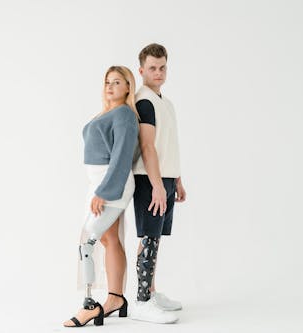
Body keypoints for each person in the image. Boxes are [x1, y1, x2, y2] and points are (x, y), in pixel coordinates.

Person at [63, 66, 139, 327]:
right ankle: (116, 298)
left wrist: (104, 192)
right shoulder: (108, 113)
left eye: (117, 82)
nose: (110, 86)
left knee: (89, 242)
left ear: (128, 86)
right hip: (99, 181)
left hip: (111, 183)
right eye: (108, 82)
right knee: (109, 239)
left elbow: (121, 157)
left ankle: (89, 305)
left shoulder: (125, 114)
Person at [129, 43, 187, 324]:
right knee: (148, 238)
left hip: (165, 177)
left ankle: (150, 292)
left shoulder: (165, 101)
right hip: (149, 178)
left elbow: (167, 144)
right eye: (152, 68)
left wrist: (176, 179)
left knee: (156, 237)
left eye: (162, 67)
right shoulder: (144, 101)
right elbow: (148, 147)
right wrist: (156, 185)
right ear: (141, 70)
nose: (158, 72)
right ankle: (141, 301)